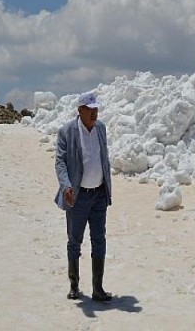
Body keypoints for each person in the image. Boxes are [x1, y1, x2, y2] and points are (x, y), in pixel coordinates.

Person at [54, 91, 113, 302]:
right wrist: (66, 186)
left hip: (98, 195)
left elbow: (102, 158)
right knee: (74, 241)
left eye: (96, 109)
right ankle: (74, 285)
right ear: (80, 110)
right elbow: (60, 162)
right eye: (90, 110)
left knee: (99, 240)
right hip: (77, 197)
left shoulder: (101, 129)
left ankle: (98, 288)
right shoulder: (66, 132)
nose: (94, 114)